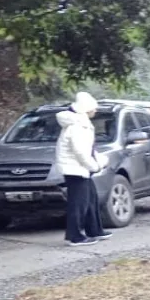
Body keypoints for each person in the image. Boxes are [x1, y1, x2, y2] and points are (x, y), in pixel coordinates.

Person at [55, 92, 112, 246]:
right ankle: (75, 236)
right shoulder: (78, 126)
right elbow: (81, 152)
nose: (96, 111)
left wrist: (100, 160)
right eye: (94, 108)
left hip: (80, 169)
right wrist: (95, 165)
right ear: (86, 109)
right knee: (79, 204)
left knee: (91, 199)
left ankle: (95, 230)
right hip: (76, 170)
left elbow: (89, 150)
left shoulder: (81, 123)